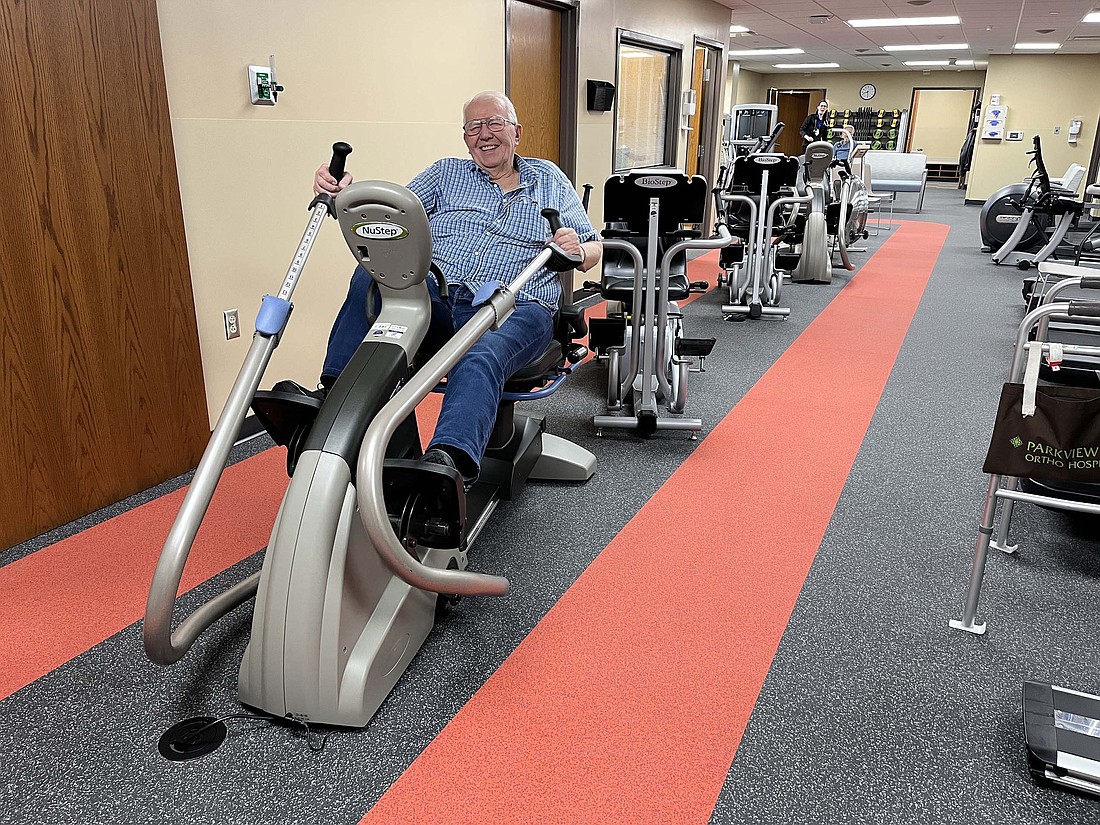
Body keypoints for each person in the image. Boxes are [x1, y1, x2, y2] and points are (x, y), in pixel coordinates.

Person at [312, 91, 602, 484]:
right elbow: (392, 216)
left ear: (516, 132)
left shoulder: (548, 178)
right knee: (372, 275)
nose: (485, 134)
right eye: (474, 127)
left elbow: (591, 248)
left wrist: (576, 249)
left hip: (516, 302)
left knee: (481, 352)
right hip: (439, 296)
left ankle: (446, 464)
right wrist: (340, 195)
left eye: (494, 123)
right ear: (465, 137)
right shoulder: (446, 173)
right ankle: (333, 395)